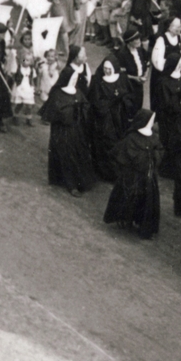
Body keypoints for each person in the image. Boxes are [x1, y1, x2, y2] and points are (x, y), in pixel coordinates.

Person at [102, 109, 161, 238]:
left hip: (148, 177)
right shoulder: (131, 138)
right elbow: (120, 154)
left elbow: (159, 151)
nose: (153, 123)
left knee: (146, 202)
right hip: (133, 177)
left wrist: (154, 156)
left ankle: (142, 225)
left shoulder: (154, 137)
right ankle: (127, 219)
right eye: (151, 120)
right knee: (130, 199)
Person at [43, 64, 98, 194]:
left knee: (79, 154)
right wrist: (72, 110)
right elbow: (55, 112)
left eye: (76, 79)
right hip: (63, 132)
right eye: (72, 79)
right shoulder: (57, 94)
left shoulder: (77, 91)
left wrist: (81, 109)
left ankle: (79, 181)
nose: (74, 81)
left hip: (77, 130)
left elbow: (85, 105)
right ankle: (71, 184)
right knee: (67, 156)